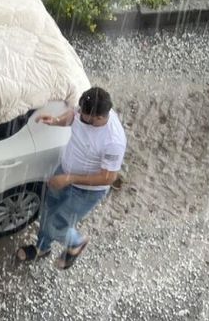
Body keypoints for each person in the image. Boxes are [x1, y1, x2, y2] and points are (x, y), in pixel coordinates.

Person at [15, 86, 127, 270]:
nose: (79, 114)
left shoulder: (113, 141)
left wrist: (69, 179)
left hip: (86, 192)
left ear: (99, 117)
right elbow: (73, 116)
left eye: (85, 114)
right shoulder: (87, 109)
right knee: (48, 210)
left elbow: (108, 177)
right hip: (64, 171)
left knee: (58, 225)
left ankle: (76, 243)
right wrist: (56, 121)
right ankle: (42, 248)